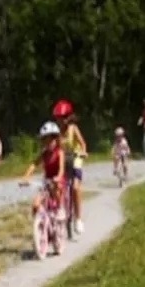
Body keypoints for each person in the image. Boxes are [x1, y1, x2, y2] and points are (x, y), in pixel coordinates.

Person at [19, 121, 67, 222]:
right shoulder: (44, 154)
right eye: (46, 141)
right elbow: (34, 164)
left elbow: (61, 169)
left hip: (58, 180)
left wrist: (58, 177)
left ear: (56, 140)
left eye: (51, 140)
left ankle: (60, 209)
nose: (49, 143)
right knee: (36, 204)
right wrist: (26, 176)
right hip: (47, 181)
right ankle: (38, 227)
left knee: (56, 189)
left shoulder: (59, 153)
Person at [53, 100, 88, 235]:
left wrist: (83, 152)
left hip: (75, 157)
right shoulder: (56, 132)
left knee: (75, 187)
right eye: (57, 119)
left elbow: (82, 143)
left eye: (61, 119)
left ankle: (78, 219)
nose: (59, 122)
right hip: (64, 159)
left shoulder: (73, 128)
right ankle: (60, 210)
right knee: (58, 184)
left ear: (67, 118)